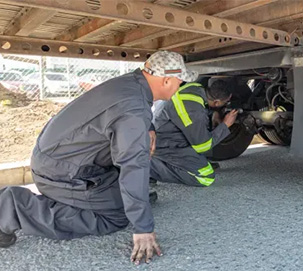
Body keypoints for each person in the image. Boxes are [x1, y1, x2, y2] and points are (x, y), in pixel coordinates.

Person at [0, 51, 198, 264]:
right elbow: (133, 166)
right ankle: (12, 207)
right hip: (62, 174)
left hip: (62, 159)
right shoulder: (133, 108)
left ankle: (112, 200)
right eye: (180, 81)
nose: (180, 87)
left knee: (128, 198)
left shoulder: (130, 84)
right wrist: (143, 227)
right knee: (116, 216)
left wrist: (148, 127)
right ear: (167, 80)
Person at [150, 80, 238, 187]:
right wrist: (225, 125)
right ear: (217, 102)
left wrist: (213, 113)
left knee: (201, 163)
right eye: (226, 102)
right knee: (205, 177)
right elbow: (203, 146)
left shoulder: (194, 88)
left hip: (165, 135)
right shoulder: (194, 112)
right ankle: (148, 168)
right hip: (165, 145)